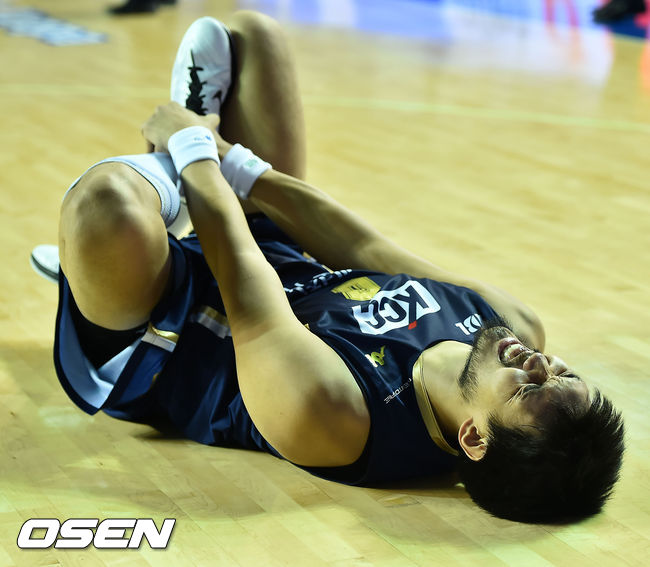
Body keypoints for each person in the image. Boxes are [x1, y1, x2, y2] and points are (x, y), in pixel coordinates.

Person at [35, 11, 624, 524]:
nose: (539, 363)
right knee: (254, 35)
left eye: (530, 389)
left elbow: (243, 285)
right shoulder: (511, 324)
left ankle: (137, 217)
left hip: (164, 329)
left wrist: (192, 148)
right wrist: (232, 162)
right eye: (563, 373)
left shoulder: (338, 417)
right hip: (269, 252)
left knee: (105, 205)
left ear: (474, 436)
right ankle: (157, 196)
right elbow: (363, 247)